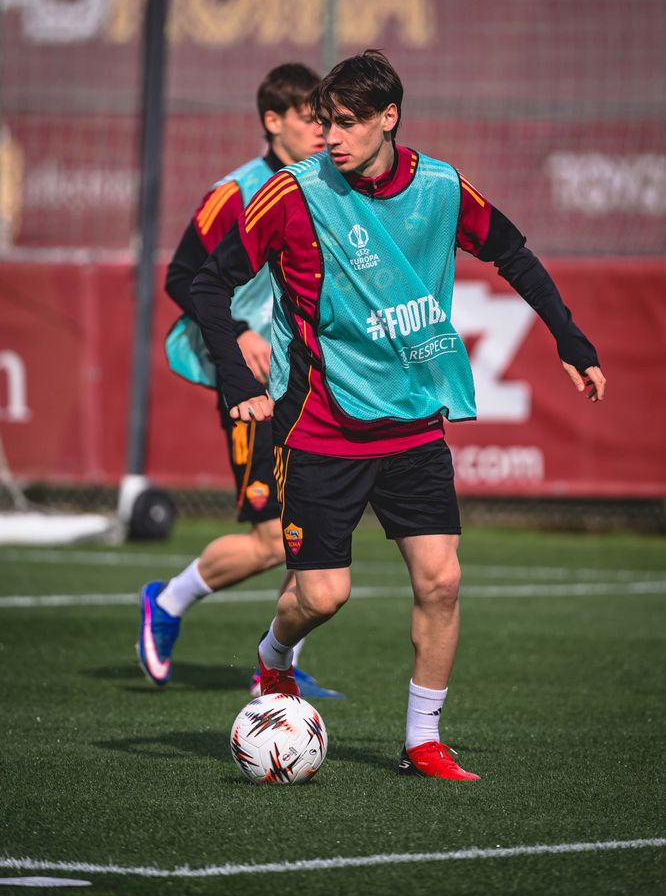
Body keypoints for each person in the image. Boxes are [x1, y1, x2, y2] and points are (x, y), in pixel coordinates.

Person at [190, 50, 606, 780]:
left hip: (414, 424)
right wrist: (234, 377)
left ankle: (422, 741)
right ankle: (273, 655)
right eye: (325, 124)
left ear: (389, 119)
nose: (331, 139)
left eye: (347, 124)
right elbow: (206, 279)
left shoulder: (441, 187)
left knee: (441, 581)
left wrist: (569, 337)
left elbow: (512, 251)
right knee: (321, 597)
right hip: (323, 426)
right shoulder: (294, 193)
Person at [137, 62, 344, 700]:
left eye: (326, 119)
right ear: (272, 122)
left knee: (306, 533)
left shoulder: (327, 187)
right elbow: (180, 277)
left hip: (311, 382)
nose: (321, 130)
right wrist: (241, 331)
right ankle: (167, 601)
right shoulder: (237, 191)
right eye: (309, 119)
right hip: (251, 384)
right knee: (267, 541)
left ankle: (276, 671)